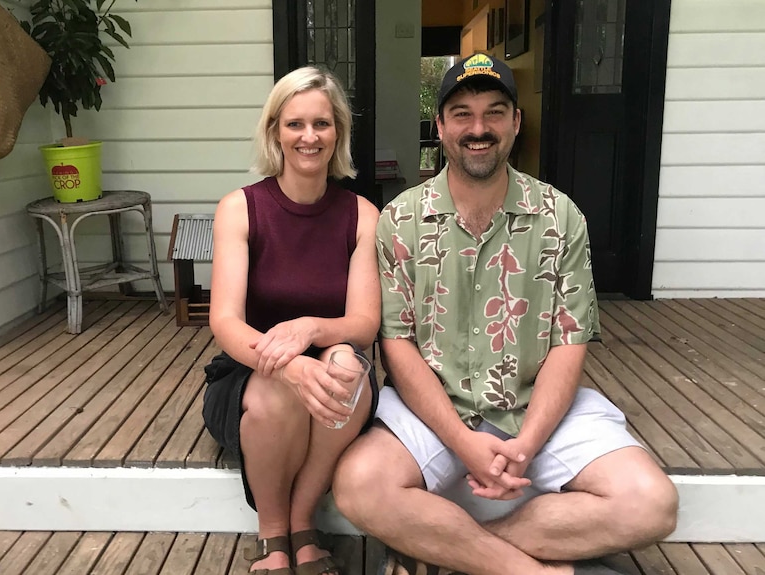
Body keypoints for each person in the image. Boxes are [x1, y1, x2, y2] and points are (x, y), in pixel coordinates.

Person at [332, 54, 678, 575]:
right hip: (435, 410)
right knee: (359, 486)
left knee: (652, 503)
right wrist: (463, 443)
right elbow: (396, 345)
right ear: (440, 127)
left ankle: (452, 556)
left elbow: (570, 341)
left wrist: (528, 443)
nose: (479, 129)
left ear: (516, 123)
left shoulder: (560, 217)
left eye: (494, 112)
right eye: (462, 114)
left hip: (537, 407)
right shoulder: (400, 220)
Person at [202, 66, 381, 575]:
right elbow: (226, 322)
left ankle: (304, 521)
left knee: (348, 365)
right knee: (276, 390)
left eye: (322, 124)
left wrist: (310, 330)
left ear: (338, 133)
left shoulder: (361, 215)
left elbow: (363, 322)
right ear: (275, 130)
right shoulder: (240, 209)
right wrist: (291, 366)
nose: (309, 137)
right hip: (246, 375)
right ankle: (273, 533)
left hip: (326, 365)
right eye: (295, 124)